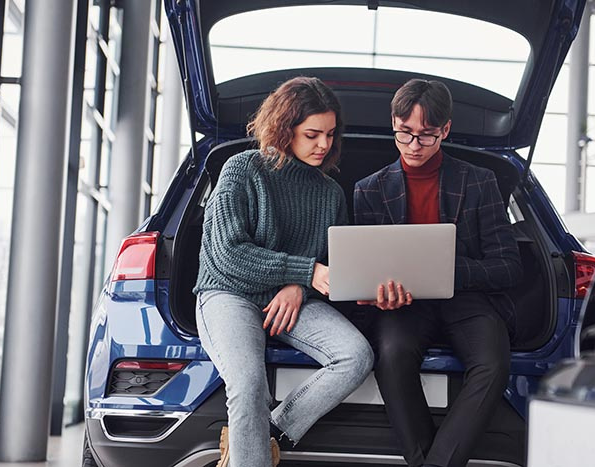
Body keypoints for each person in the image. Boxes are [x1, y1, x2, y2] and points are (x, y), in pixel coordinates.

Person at [193, 76, 374, 467]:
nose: (323, 145)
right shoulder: (241, 169)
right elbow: (229, 255)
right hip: (228, 293)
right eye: (312, 134)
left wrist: (300, 286)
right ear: (283, 128)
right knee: (248, 384)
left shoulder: (330, 193)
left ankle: (266, 433)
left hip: (290, 299)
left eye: (329, 134)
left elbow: (330, 264)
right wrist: (303, 273)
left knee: (356, 356)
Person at [354, 78, 523, 467]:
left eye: (426, 136)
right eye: (404, 134)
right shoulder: (369, 190)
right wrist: (378, 289)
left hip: (468, 300)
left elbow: (508, 266)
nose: (414, 145)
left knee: (493, 363)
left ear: (445, 130)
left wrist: (447, 272)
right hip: (404, 305)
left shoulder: (480, 182)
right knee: (392, 355)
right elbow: (366, 266)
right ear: (393, 123)